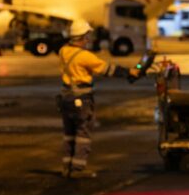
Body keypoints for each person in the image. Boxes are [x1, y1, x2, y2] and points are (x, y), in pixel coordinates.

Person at [57, 20, 139, 178]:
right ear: (82, 37)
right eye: (87, 36)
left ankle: (67, 167)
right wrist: (130, 72)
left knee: (69, 134)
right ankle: (78, 169)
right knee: (83, 134)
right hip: (81, 99)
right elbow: (107, 69)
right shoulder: (85, 56)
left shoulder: (63, 51)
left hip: (66, 98)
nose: (88, 39)